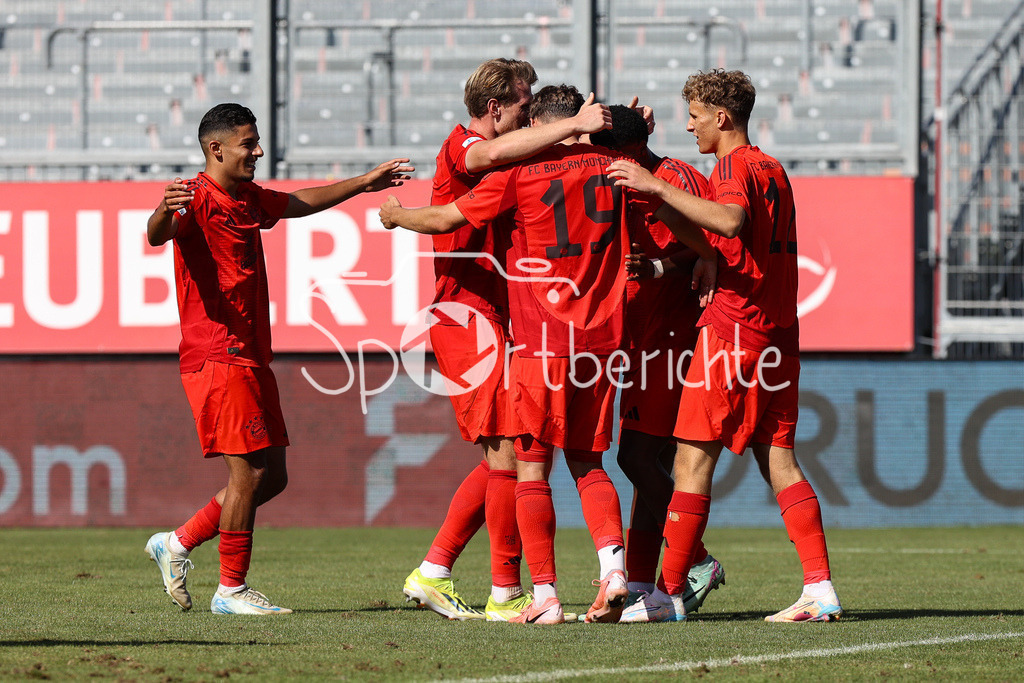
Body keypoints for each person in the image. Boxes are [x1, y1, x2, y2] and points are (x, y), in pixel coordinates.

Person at [383, 85, 716, 625]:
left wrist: (398, 215)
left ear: (543, 124)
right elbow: (672, 213)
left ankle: (545, 594)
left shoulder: (519, 175)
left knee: (530, 469)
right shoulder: (613, 169)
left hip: (541, 344)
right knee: (590, 465)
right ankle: (613, 572)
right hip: (604, 344)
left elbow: (445, 220)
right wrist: (705, 256)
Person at [144, 102, 412, 615]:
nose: (259, 151)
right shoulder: (194, 197)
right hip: (217, 354)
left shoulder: (244, 198)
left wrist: (364, 182)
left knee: (274, 477)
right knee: (247, 474)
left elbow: (298, 201)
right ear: (215, 148)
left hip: (251, 354)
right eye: (249, 143)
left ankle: (177, 543)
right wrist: (162, 210)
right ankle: (231, 590)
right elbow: (158, 232)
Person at [607, 69, 842, 623]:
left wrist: (659, 188)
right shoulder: (773, 168)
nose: (688, 126)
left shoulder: (733, 166)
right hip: (780, 333)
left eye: (694, 115)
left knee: (689, 462)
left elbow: (731, 223)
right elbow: (722, 238)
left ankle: (666, 595)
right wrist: (668, 218)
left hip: (734, 330)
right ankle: (820, 589)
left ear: (722, 117)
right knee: (779, 460)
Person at [401, 58, 612, 622]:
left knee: (509, 451)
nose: (529, 117)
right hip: (466, 315)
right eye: (524, 106)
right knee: (510, 453)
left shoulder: (520, 163)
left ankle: (443, 571)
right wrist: (571, 124)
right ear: (496, 109)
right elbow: (485, 158)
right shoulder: (466, 145)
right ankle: (497, 589)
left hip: (496, 314)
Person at [590, 106, 726, 622]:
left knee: (636, 459)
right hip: (646, 334)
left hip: (672, 335)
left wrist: (661, 265)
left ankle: (695, 558)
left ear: (622, 152)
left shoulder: (668, 179)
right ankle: (648, 583)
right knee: (645, 459)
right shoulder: (636, 177)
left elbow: (710, 242)